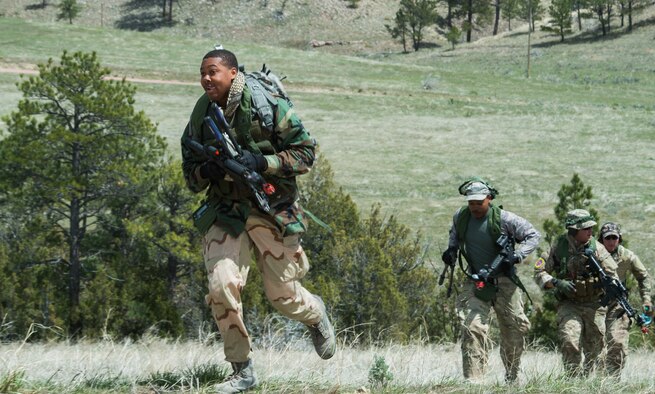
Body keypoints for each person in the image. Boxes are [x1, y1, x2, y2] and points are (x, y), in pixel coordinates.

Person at [181, 49, 336, 393]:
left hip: (271, 207)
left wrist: (262, 162)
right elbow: (189, 171)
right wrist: (206, 169)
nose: (206, 79)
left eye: (213, 72)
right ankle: (242, 370)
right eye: (202, 73)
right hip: (226, 211)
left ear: (233, 73)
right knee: (221, 286)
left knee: (282, 296)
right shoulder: (201, 113)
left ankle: (315, 313)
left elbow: (306, 153)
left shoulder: (267, 106)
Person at [444, 177, 540, 383]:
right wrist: (451, 251)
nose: (475, 207)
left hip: (505, 282)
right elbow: (454, 236)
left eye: (479, 203)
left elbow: (533, 235)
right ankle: (474, 380)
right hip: (476, 280)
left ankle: (511, 378)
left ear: (489, 199)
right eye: (471, 203)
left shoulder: (506, 219)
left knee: (513, 330)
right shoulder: (461, 217)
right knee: (472, 327)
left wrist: (517, 256)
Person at [534, 209, 618, 377]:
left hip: (594, 305)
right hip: (569, 304)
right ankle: (572, 382)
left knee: (595, 349)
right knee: (569, 341)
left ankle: (591, 382)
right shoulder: (558, 247)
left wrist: (609, 284)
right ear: (573, 230)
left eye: (591, 228)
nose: (590, 232)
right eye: (585, 228)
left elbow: (613, 276)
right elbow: (538, 272)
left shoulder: (597, 249)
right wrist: (557, 282)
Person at [598, 222, 652, 377]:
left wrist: (646, 300)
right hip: (593, 304)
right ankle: (590, 380)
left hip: (617, 305)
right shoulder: (593, 253)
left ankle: (612, 380)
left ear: (619, 239)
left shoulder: (627, 256)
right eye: (607, 238)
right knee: (594, 344)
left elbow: (643, 277)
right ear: (601, 240)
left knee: (618, 342)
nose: (611, 241)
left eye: (614, 237)